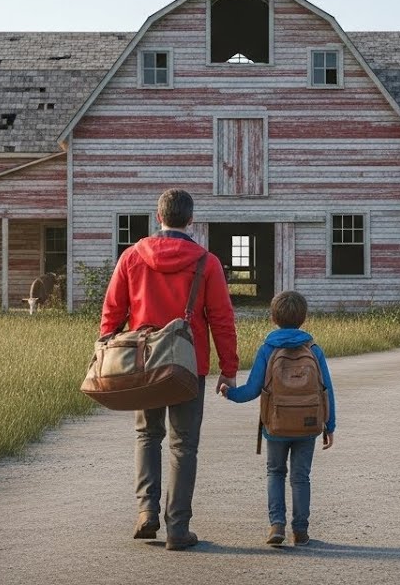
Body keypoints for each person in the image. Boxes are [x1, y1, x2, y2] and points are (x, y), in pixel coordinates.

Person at [100, 188, 238, 551]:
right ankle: (178, 529)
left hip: (143, 364)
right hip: (188, 366)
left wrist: (105, 346)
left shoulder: (132, 257)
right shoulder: (206, 262)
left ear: (157, 217)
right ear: (191, 220)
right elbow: (222, 319)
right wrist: (229, 368)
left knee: (148, 436)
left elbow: (112, 310)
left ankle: (146, 512)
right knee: (184, 445)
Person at [218, 290, 336, 547]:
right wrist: (330, 425)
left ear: (273, 318)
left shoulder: (268, 349)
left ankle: (277, 526)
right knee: (301, 476)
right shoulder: (314, 349)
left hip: (275, 423)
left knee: (275, 472)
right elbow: (327, 389)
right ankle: (301, 530)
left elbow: (252, 390)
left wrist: (230, 393)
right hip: (308, 425)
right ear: (304, 318)